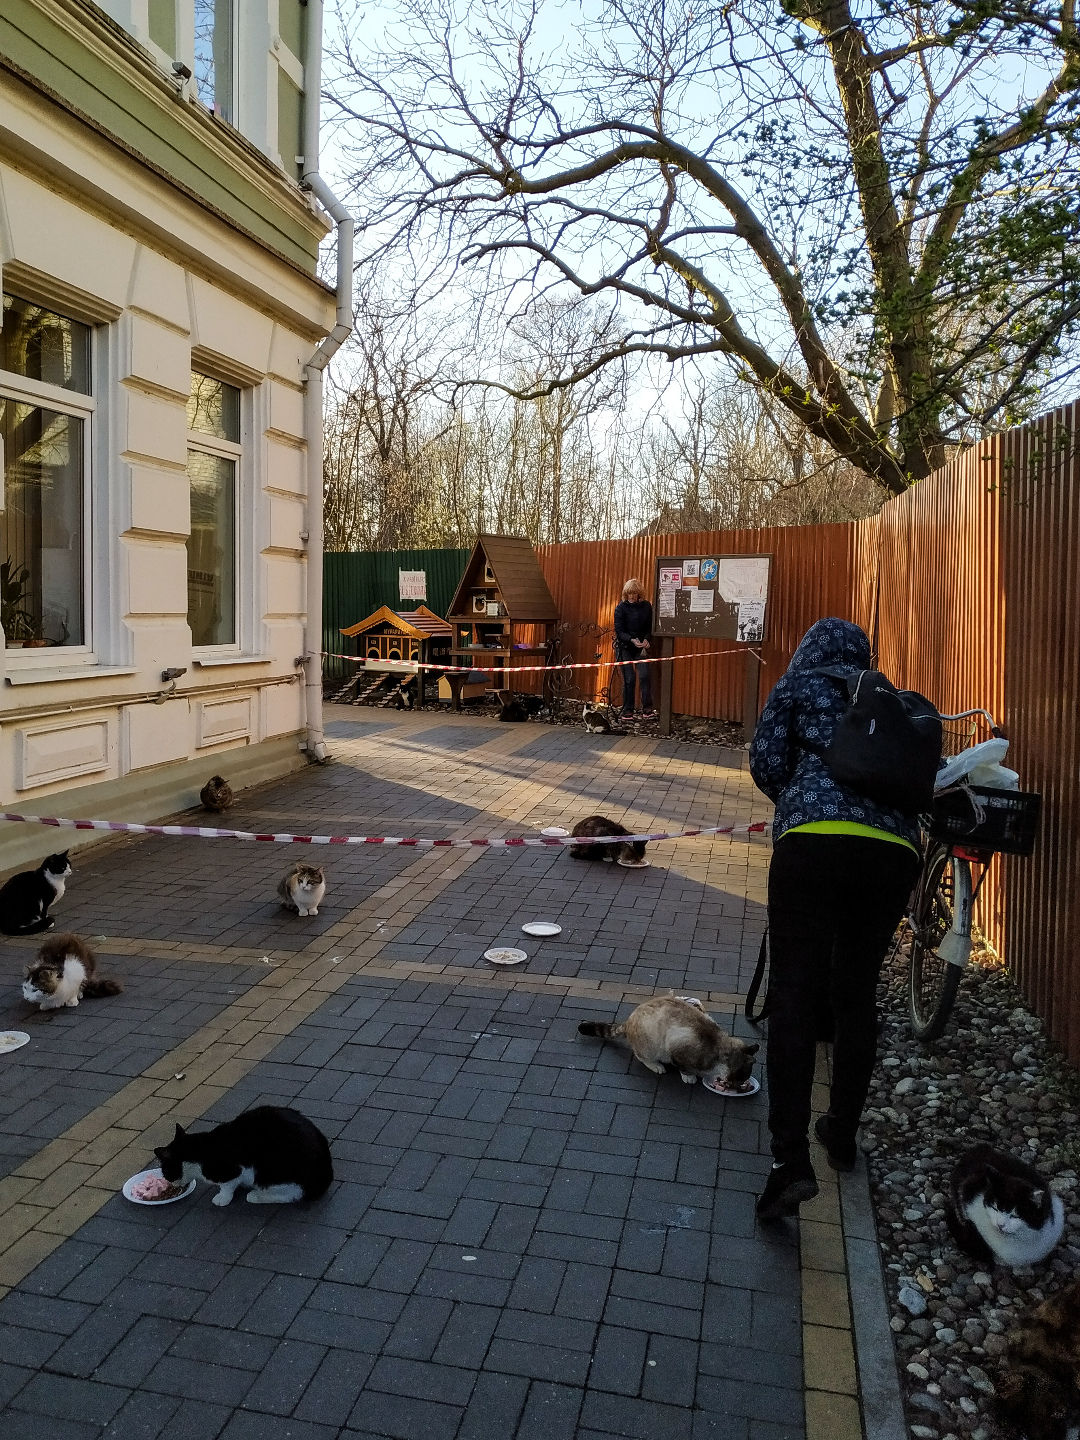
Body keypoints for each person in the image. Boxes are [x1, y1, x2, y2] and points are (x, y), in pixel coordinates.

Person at [748, 618, 922, 1221]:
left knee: (793, 996)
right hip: (894, 854)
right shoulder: (886, 699)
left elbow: (765, 761)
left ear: (808, 649)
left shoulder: (797, 686)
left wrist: (802, 800)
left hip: (813, 844)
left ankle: (789, 1162)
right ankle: (842, 1131)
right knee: (855, 992)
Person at [613, 579, 656, 719]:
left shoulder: (646, 607)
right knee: (629, 678)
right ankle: (628, 709)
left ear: (639, 594)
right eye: (629, 593)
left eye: (634, 593)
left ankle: (647, 709)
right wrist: (631, 640)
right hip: (625, 647)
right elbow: (619, 631)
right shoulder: (621, 608)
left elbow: (650, 627)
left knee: (644, 675)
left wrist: (647, 640)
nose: (632, 596)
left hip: (640, 648)